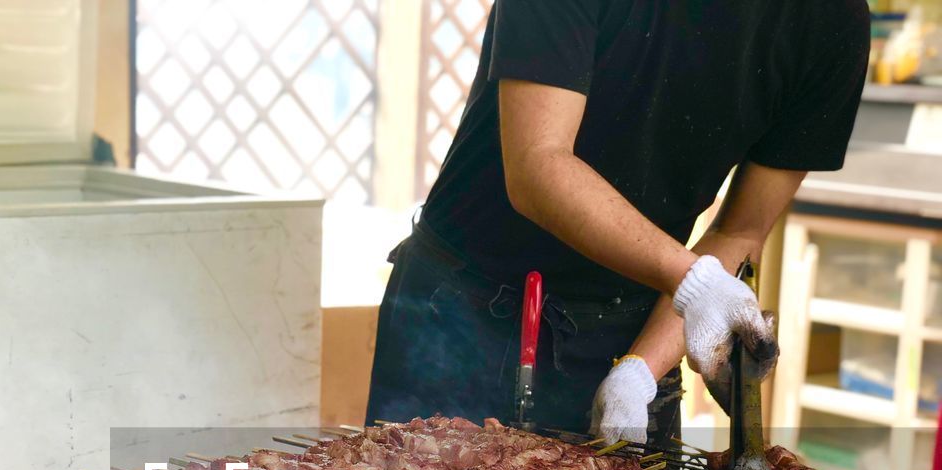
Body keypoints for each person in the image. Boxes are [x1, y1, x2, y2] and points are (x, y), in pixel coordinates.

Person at [365, 0, 871, 444]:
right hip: (462, 312)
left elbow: (739, 232)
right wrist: (696, 282)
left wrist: (640, 371)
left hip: (633, 327)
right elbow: (539, 165)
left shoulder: (832, 22)